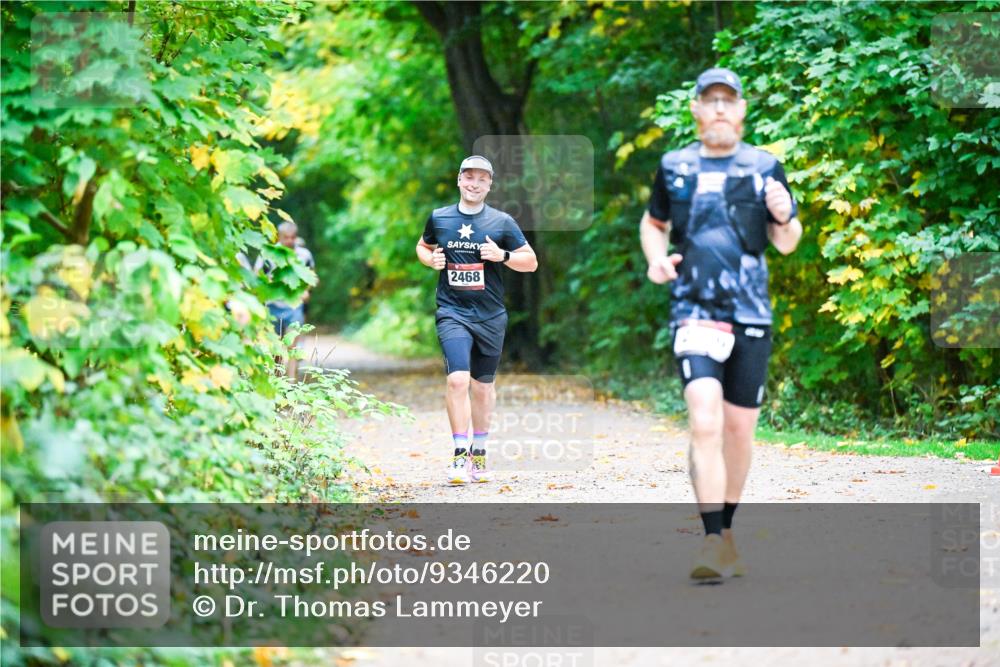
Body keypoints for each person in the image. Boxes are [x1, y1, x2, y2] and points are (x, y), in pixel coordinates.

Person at [639, 68, 803, 579]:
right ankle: (712, 541)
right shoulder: (675, 165)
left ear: (741, 109)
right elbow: (653, 223)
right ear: (695, 109)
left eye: (727, 101)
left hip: (751, 312)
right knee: (704, 420)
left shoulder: (764, 166)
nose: (718, 109)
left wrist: (784, 215)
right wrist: (656, 259)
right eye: (709, 100)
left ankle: (727, 530)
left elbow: (787, 242)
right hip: (694, 309)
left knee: (738, 430)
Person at [416, 155, 538, 485]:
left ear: (490, 185)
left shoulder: (501, 222)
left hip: (490, 316)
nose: (474, 183)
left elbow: (531, 262)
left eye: (482, 179)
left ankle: (479, 453)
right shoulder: (439, 217)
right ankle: (459, 455)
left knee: (482, 388)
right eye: (469, 177)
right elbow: (423, 246)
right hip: (452, 312)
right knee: (458, 380)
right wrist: (430, 260)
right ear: (459, 180)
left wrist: (503, 255)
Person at [254, 221, 317, 380]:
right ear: (279, 237)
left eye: (292, 237)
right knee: (276, 349)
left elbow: (312, 276)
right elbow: (256, 276)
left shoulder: (304, 255)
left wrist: (306, 291)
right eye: (286, 237)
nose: (289, 241)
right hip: (272, 306)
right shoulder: (268, 254)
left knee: (292, 347)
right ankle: (278, 382)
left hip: (294, 307)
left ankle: (291, 383)